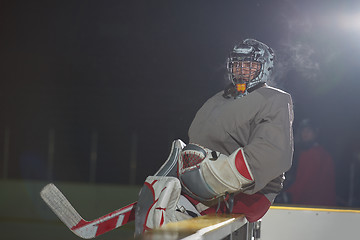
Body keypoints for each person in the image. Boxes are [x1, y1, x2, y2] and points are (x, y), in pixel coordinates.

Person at [135, 39, 294, 234]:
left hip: (245, 194)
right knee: (158, 203)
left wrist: (216, 176)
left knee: (167, 219)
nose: (242, 70)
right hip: (203, 187)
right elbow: (198, 139)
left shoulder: (274, 98)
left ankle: (178, 216)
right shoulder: (218, 99)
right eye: (238, 64)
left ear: (264, 68)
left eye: (250, 65)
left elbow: (271, 152)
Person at [285, 119, 336, 206]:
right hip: (324, 205)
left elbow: (303, 181)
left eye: (308, 130)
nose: (305, 134)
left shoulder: (312, 154)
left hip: (310, 204)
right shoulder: (321, 153)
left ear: (315, 133)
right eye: (303, 131)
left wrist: (288, 195)